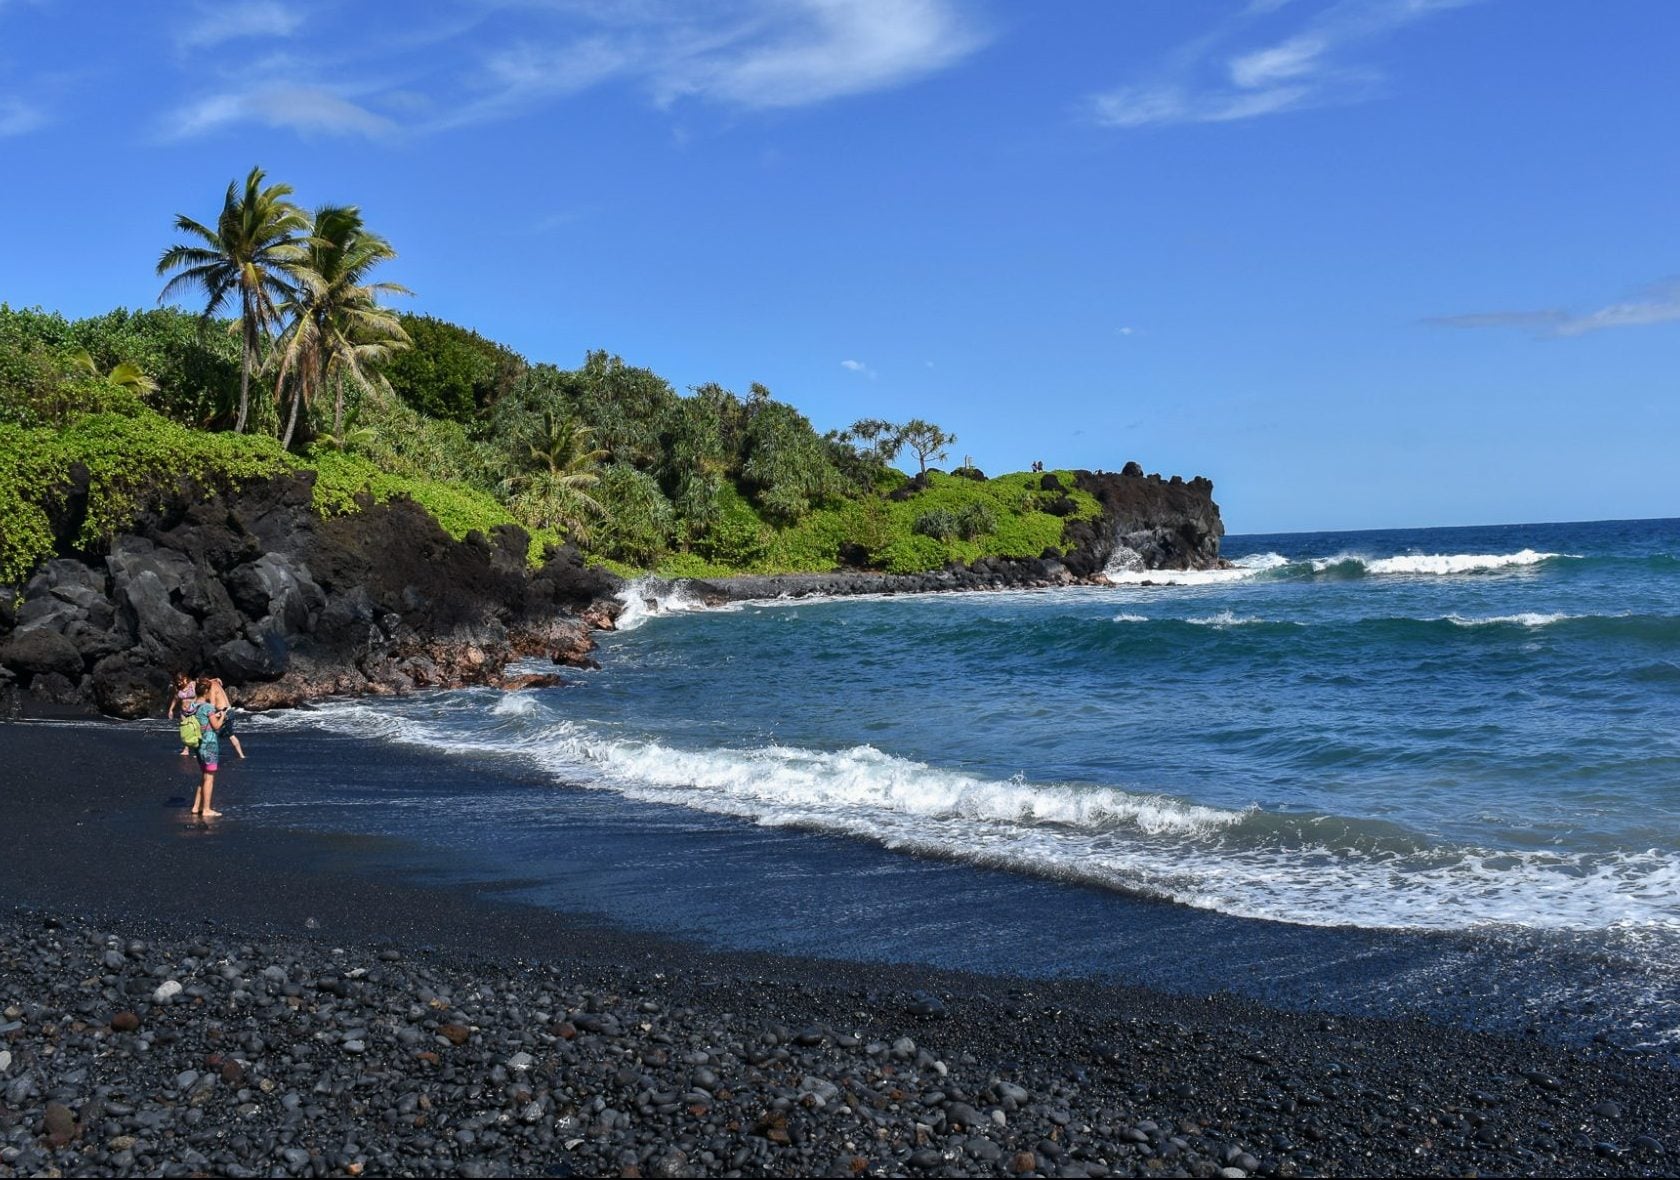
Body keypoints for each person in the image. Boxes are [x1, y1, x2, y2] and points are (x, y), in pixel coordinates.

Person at [189, 678, 226, 818]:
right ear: (206, 691)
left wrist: (214, 717)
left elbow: (203, 721)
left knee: (204, 775)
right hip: (209, 744)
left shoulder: (193, 706)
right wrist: (222, 716)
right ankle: (206, 809)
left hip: (198, 744)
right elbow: (216, 726)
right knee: (209, 776)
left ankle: (196, 806)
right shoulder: (208, 707)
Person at [207, 677, 246, 759]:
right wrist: (215, 679)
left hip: (224, 713)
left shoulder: (211, 688)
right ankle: (241, 755)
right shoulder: (216, 684)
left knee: (213, 733)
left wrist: (210, 714)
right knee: (230, 735)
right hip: (230, 710)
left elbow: (212, 705)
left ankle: (208, 754)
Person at [165, 671, 196, 755]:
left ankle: (199, 749)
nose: (179, 684)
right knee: (186, 731)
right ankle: (186, 749)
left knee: (196, 730)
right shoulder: (178, 688)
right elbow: (175, 699)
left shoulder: (193, 684)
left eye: (180, 682)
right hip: (183, 712)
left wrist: (216, 679)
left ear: (185, 679)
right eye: (177, 683)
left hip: (195, 711)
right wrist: (170, 710)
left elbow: (206, 683)